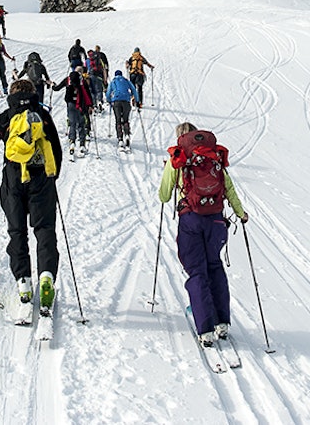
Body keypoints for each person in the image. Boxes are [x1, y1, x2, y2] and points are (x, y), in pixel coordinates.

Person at [0, 79, 64, 314]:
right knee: (44, 228)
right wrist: (52, 177)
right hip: (41, 179)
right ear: (33, 93)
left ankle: (23, 281)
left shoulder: (4, 118)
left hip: (13, 179)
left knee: (17, 231)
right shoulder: (43, 116)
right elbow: (56, 148)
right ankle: (46, 276)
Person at [159, 122, 248, 347]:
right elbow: (228, 187)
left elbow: (164, 196)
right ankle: (222, 323)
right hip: (216, 219)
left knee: (197, 271)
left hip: (191, 220)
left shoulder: (178, 158)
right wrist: (240, 213)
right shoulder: (213, 157)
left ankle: (205, 327)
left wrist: (169, 171)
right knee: (215, 267)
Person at [52, 63, 93, 155]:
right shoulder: (82, 80)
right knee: (81, 123)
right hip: (81, 104)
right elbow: (87, 93)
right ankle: (82, 144)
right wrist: (90, 105)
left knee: (72, 123)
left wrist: (52, 85)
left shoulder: (68, 79)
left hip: (70, 104)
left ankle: (72, 142)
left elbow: (57, 88)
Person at [106, 69, 140, 150]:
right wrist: (137, 100)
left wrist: (109, 101)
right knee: (125, 120)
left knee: (118, 120)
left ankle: (120, 139)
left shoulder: (113, 81)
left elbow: (108, 92)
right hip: (126, 101)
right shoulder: (126, 81)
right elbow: (134, 90)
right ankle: (127, 135)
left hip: (116, 101)